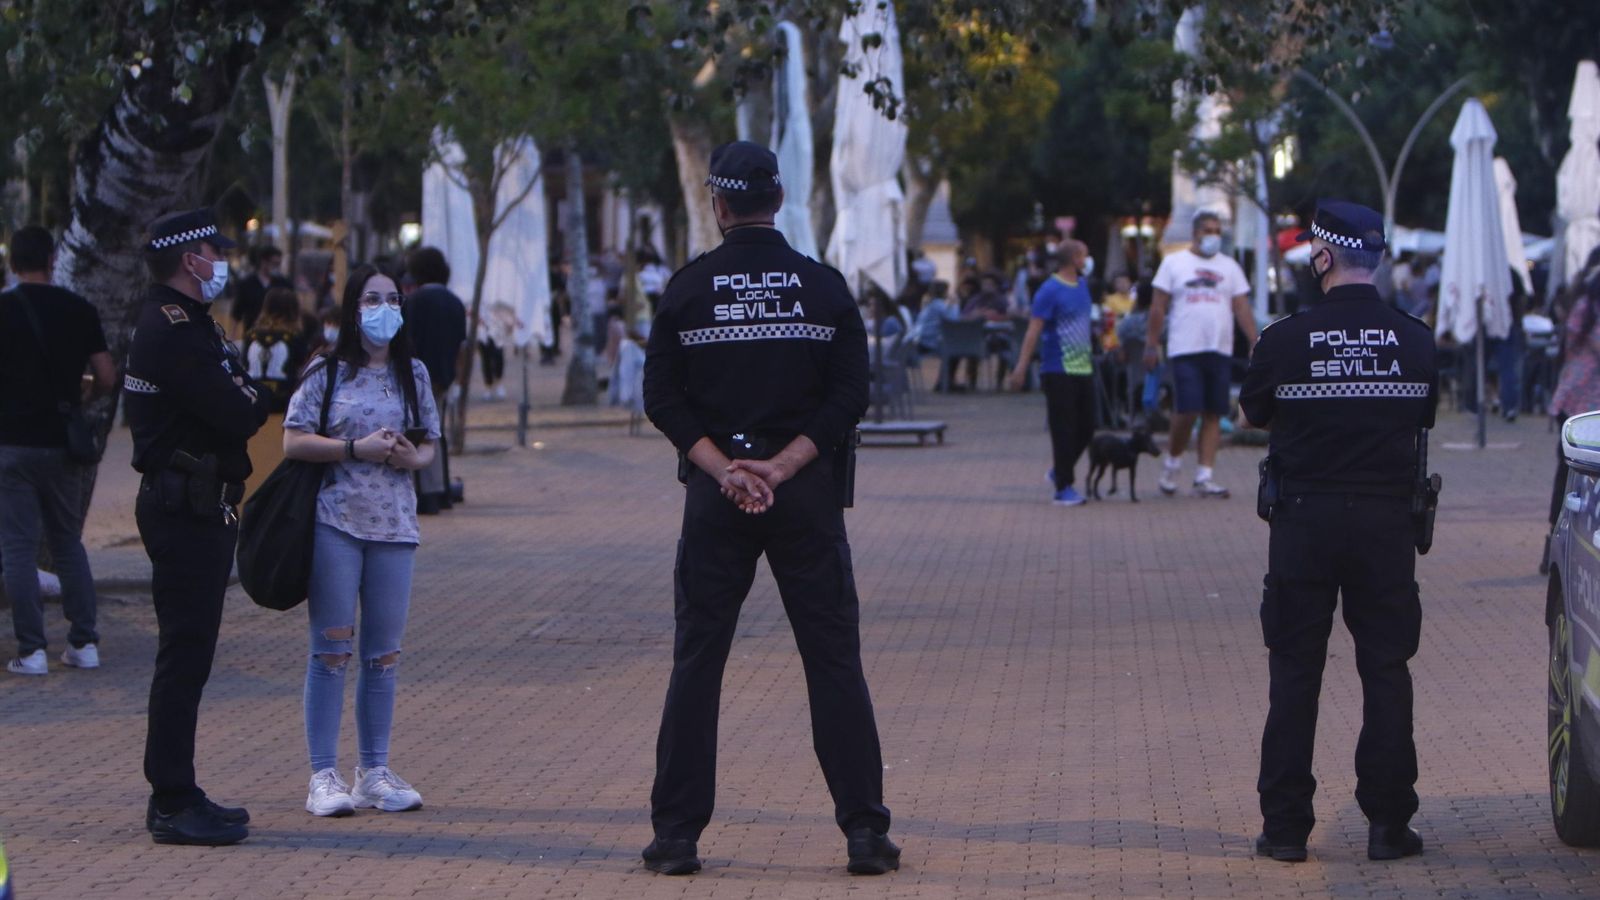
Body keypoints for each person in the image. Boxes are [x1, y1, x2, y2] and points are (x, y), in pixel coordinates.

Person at [641, 140, 897, 877]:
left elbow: (661, 397)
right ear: (778, 200)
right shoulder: (823, 288)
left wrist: (725, 468)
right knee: (832, 658)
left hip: (717, 498)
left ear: (718, 204)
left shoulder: (689, 290)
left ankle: (677, 835)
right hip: (805, 493)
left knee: (699, 660)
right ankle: (864, 831)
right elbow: (851, 394)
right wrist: (782, 466)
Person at [1239, 200, 1438, 864]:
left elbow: (1254, 413)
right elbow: (1424, 416)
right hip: (1386, 523)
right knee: (1386, 668)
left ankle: (1286, 829)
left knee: (1295, 670)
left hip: (1304, 521)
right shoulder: (1415, 339)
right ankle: (1389, 824)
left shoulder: (1283, 338)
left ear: (1323, 256)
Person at [125, 208, 270, 845]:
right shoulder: (174, 329)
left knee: (191, 655)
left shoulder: (185, 322)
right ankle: (172, 799)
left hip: (196, 504)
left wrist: (246, 391)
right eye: (215, 251)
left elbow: (240, 393)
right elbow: (238, 410)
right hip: (183, 508)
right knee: (184, 657)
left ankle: (179, 789)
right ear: (191, 259)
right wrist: (250, 394)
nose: (222, 261)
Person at [282, 264, 441, 818]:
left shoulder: (412, 372)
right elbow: (293, 440)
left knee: (383, 655)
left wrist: (409, 457)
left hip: (395, 526)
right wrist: (354, 449)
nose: (384, 309)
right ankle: (323, 776)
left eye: (393, 299)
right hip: (336, 522)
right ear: (352, 308)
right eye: (372, 299)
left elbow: (429, 445)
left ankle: (374, 772)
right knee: (331, 651)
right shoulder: (326, 369)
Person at [0, 226, 116, 676]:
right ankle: (84, 643)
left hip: (11, 444)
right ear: (52, 260)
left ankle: (31, 651)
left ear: (13, 264)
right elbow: (106, 376)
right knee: (67, 542)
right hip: (63, 443)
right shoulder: (79, 309)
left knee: (17, 547)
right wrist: (80, 399)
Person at [1145, 211, 1257, 497]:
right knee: (1187, 408)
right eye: (1208, 230)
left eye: (1217, 230)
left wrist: (1254, 340)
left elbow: (1241, 306)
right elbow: (1158, 306)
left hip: (1219, 347)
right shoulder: (1174, 263)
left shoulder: (1229, 267)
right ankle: (1173, 462)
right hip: (1185, 346)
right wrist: (1151, 343)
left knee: (1214, 412)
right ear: (1195, 233)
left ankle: (1204, 475)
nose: (1213, 236)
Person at [1007, 242, 1095, 505]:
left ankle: (1060, 469)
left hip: (1084, 366)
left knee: (1087, 425)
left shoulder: (1082, 285)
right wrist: (1021, 366)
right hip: (1058, 368)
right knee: (1063, 428)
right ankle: (1063, 486)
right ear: (1075, 258)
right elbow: (1033, 330)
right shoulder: (1049, 290)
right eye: (1084, 255)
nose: (1087, 260)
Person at [1544, 250, 1600, 573]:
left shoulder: (1580, 304)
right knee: (1572, 472)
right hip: (1583, 403)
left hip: (1572, 399)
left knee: (1568, 472)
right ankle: (1558, 541)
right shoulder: (1589, 308)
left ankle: (1558, 539)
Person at [402, 247, 466, 515]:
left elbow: (405, 342)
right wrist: (456, 378)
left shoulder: (413, 302)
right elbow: (462, 346)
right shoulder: (455, 303)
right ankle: (440, 489)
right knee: (436, 434)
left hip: (416, 378)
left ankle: (426, 492)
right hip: (445, 378)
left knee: (419, 434)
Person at [240, 287, 309, 498]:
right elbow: (303, 370)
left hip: (254, 407)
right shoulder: (294, 337)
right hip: (283, 407)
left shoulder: (250, 335)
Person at [230, 245, 289, 338]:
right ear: (263, 261)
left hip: (279, 334)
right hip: (252, 334)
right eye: (274, 263)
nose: (276, 267)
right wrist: (233, 335)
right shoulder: (247, 284)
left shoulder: (284, 284)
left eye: (278, 264)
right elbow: (237, 312)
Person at [478, 300, 520, 401]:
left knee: (498, 356)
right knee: (486, 359)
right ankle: (488, 386)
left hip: (498, 329)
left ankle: (498, 382)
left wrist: (508, 321)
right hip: (483, 330)